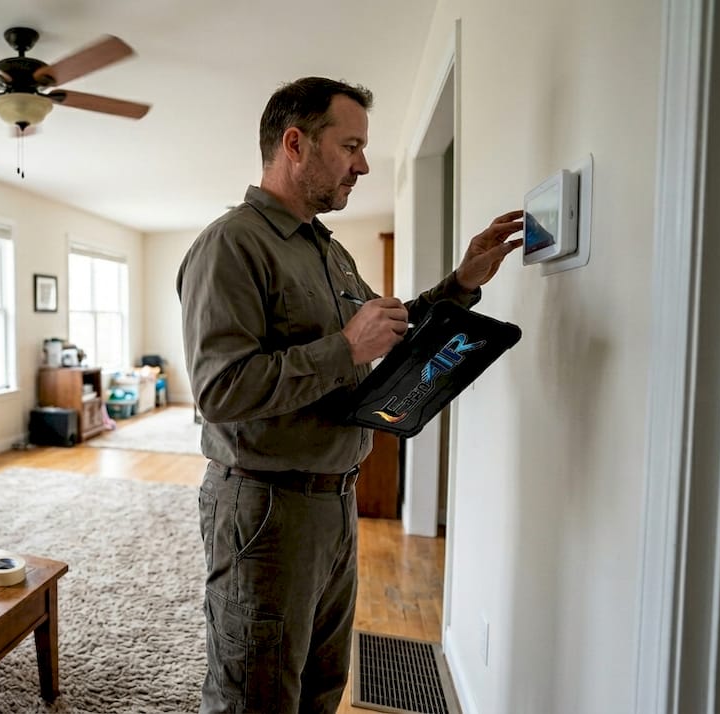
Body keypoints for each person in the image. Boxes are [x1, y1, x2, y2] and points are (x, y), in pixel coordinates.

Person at [176, 76, 523, 714]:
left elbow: (383, 332)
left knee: (321, 683)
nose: (363, 165)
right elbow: (219, 391)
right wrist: (345, 348)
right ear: (295, 143)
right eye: (351, 145)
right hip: (265, 510)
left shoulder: (328, 253)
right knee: (255, 692)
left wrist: (462, 280)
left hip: (336, 503)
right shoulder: (231, 244)